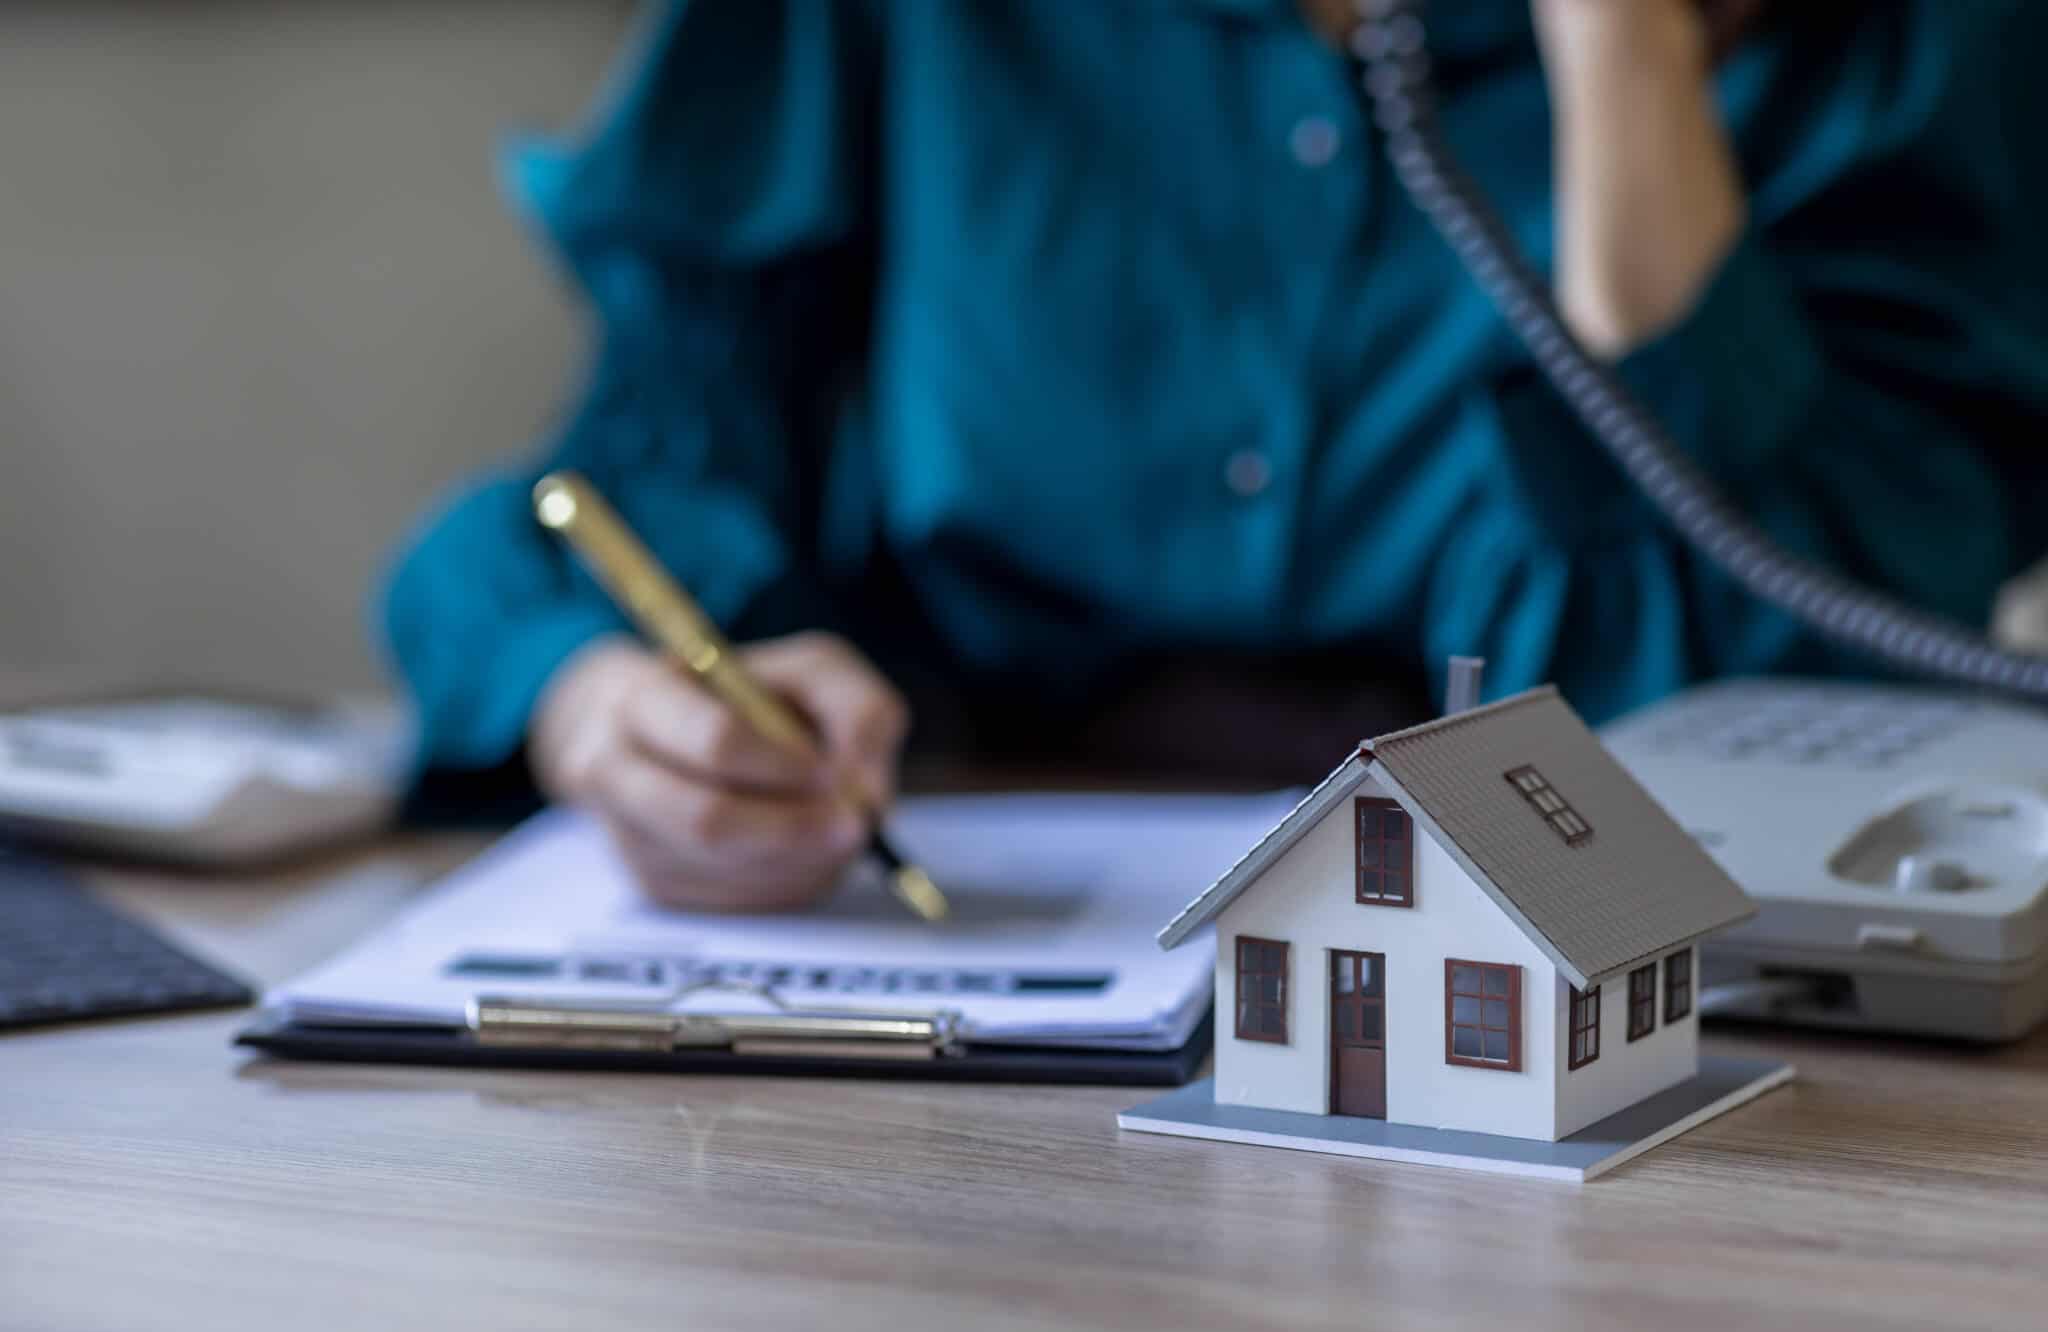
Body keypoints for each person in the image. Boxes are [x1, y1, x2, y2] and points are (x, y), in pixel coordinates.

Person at [380, 0, 2048, 906]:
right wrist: (610, 703)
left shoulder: (1906, 42)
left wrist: (1628, 66)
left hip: (1637, 1023)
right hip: (976, 927)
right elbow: (627, 481)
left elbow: (1836, 678)